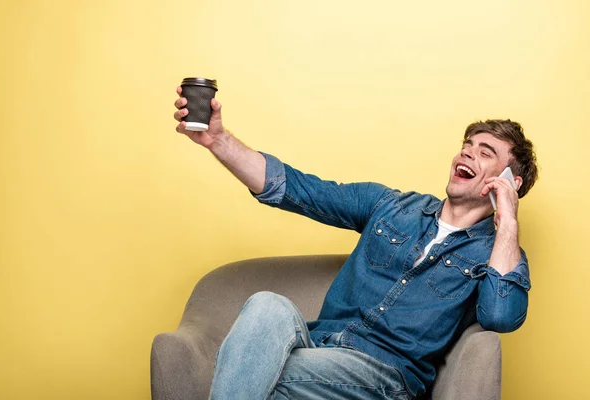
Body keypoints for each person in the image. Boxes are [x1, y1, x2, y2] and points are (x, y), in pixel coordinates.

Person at [173, 88, 538, 400]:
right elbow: (297, 189)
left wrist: (506, 221)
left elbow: (500, 317)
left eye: (486, 152)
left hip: (384, 376)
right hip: (319, 347)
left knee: (253, 364)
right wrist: (218, 140)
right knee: (267, 306)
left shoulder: (495, 255)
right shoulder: (390, 207)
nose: (467, 154)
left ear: (510, 181)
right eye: (466, 145)